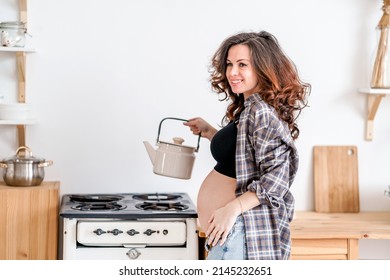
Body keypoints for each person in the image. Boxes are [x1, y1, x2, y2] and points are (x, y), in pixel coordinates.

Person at [183, 31, 310, 260]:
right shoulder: (250, 108)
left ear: (262, 68)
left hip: (240, 233)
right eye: (230, 64)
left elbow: (276, 180)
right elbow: (240, 155)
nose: (232, 72)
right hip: (227, 233)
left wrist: (231, 209)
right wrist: (210, 132)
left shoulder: (260, 111)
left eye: (242, 65)